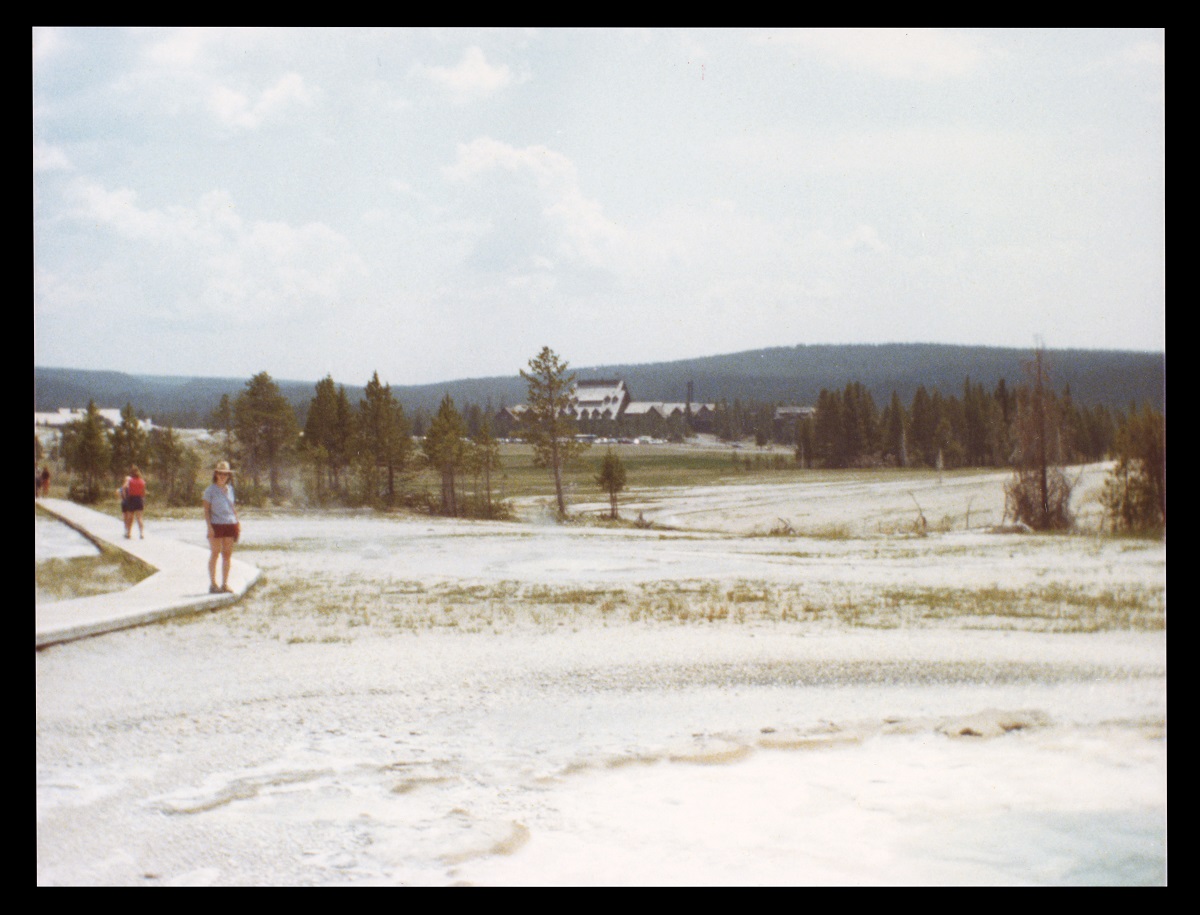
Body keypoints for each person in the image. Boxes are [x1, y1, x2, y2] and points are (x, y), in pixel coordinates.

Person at [203, 461, 240, 594]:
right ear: (216, 474)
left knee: (227, 555)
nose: (223, 476)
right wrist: (209, 528)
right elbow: (206, 511)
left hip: (230, 523)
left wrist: (237, 523)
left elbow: (232, 508)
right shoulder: (210, 490)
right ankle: (213, 584)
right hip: (216, 524)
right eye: (220, 473)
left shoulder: (230, 489)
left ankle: (225, 584)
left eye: (225, 474)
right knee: (215, 553)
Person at [118, 465, 147, 539]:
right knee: (139, 518)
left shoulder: (130, 481)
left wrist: (124, 497)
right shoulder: (142, 482)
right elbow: (143, 493)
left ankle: (129, 533)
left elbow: (124, 488)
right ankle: (142, 533)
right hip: (139, 499)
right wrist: (143, 499)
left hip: (131, 499)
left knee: (130, 517)